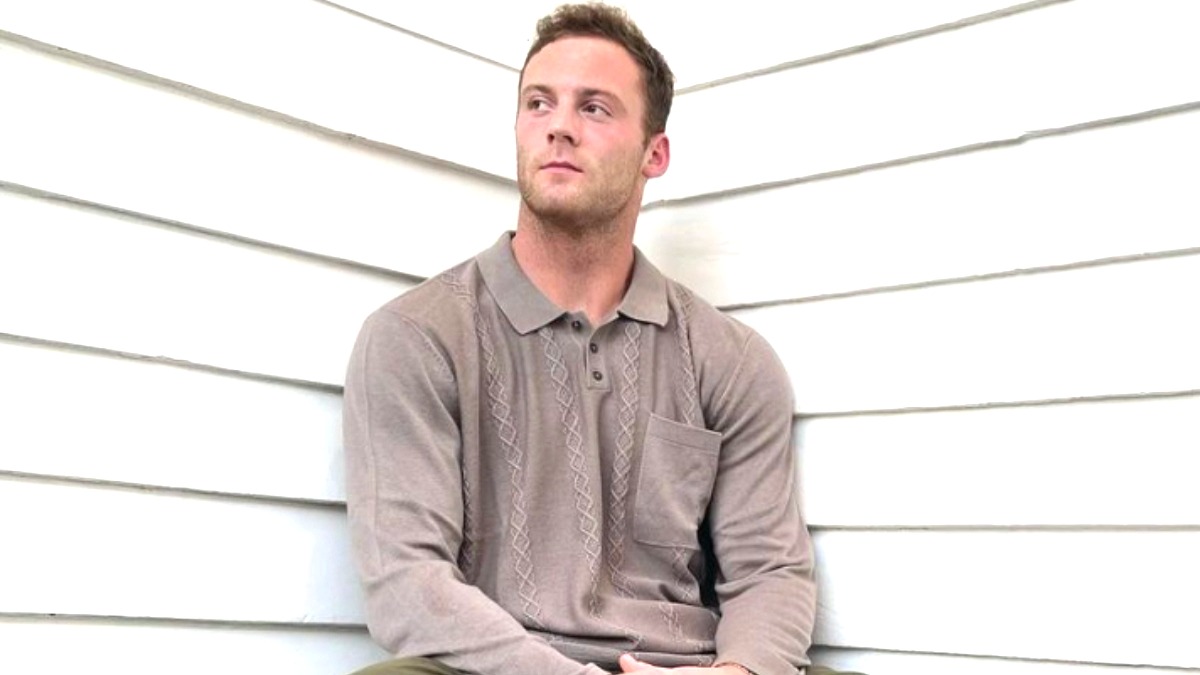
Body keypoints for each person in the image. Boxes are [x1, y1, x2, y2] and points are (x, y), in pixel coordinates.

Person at [343, 5, 859, 675]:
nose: (558, 126)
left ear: (655, 153)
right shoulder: (415, 337)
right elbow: (407, 582)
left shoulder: (732, 359)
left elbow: (770, 571)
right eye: (538, 103)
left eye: (594, 108)